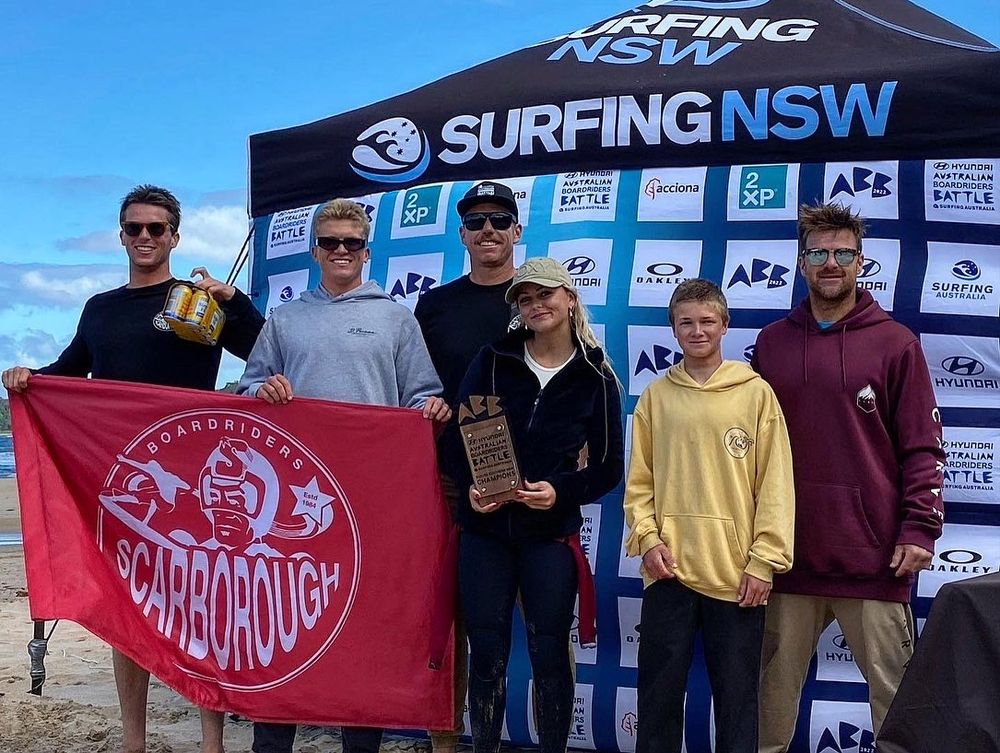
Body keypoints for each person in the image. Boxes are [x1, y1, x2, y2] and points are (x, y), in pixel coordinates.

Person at [2, 184, 265, 753]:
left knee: (200, 609)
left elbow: (268, 350)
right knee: (130, 609)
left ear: (175, 236)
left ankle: (211, 739)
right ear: (121, 235)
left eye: (156, 229)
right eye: (134, 229)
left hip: (196, 478)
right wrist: (28, 379)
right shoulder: (100, 308)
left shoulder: (202, 303)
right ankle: (132, 742)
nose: (145, 238)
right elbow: (70, 372)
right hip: (125, 483)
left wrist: (232, 300)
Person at [238, 197, 451, 753]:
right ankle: (272, 743)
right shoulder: (284, 319)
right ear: (314, 250)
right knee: (283, 622)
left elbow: (423, 396)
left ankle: (362, 744)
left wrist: (431, 409)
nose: (339, 251)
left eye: (350, 243)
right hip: (291, 504)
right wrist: (261, 390)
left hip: (371, 504)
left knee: (367, 628)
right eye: (329, 242)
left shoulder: (396, 318)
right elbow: (244, 391)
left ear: (365, 251)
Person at [753, 203, 945, 750]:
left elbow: (923, 446)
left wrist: (918, 531)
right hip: (785, 560)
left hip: (875, 560)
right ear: (801, 261)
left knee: (899, 714)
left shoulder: (895, 343)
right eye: (818, 252)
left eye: (842, 253)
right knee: (768, 715)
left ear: (861, 261)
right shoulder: (772, 343)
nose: (830, 263)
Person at [445, 256, 624, 753]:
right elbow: (458, 440)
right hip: (484, 534)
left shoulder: (596, 376)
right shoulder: (493, 359)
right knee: (486, 652)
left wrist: (560, 492)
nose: (536, 305)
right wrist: (472, 488)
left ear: (569, 298)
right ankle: (482, 746)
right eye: (525, 298)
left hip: (549, 536)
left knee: (549, 653)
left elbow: (608, 470)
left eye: (545, 294)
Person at [623, 279, 794, 753]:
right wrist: (648, 539)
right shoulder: (656, 396)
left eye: (707, 322)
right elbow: (640, 484)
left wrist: (765, 560)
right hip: (669, 570)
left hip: (737, 576)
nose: (697, 331)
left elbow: (776, 485)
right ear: (673, 330)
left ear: (725, 326)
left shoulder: (755, 394)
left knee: (738, 703)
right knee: (657, 699)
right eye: (686, 323)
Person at [414, 180, 522, 753]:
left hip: (530, 483)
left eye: (498, 220)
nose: (487, 230)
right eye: (476, 220)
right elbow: (415, 383)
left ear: (516, 232)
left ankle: (523, 736)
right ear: (461, 232)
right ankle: (446, 741)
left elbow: (580, 378)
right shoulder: (433, 305)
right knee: (452, 619)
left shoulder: (540, 299)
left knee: (538, 622)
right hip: (453, 479)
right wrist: (425, 402)